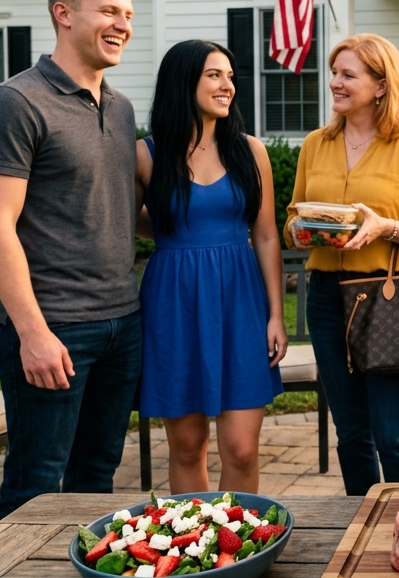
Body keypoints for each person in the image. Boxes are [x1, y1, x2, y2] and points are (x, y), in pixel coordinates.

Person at [0, 0, 143, 519]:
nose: (123, 25)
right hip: (55, 328)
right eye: (109, 11)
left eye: (128, 14)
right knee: (35, 487)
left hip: (123, 324)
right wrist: (33, 333)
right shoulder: (13, 103)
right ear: (63, 15)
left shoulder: (120, 108)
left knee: (97, 478)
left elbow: (115, 210)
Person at [284, 33, 399, 496]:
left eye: (348, 74)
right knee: (351, 433)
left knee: (393, 434)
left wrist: (384, 228)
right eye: (334, 73)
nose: (335, 83)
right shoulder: (316, 143)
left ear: (382, 85)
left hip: (387, 296)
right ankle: (358, 522)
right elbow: (292, 217)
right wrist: (304, 230)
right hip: (327, 297)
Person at [135, 40, 287, 494]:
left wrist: (276, 314)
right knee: (186, 445)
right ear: (184, 81)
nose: (228, 86)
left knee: (241, 448)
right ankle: (195, 549)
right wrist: (176, 233)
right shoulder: (146, 154)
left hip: (241, 302)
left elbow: (265, 234)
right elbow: (127, 223)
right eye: (214, 75)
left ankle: (242, 544)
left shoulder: (249, 150)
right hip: (173, 304)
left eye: (230, 76)